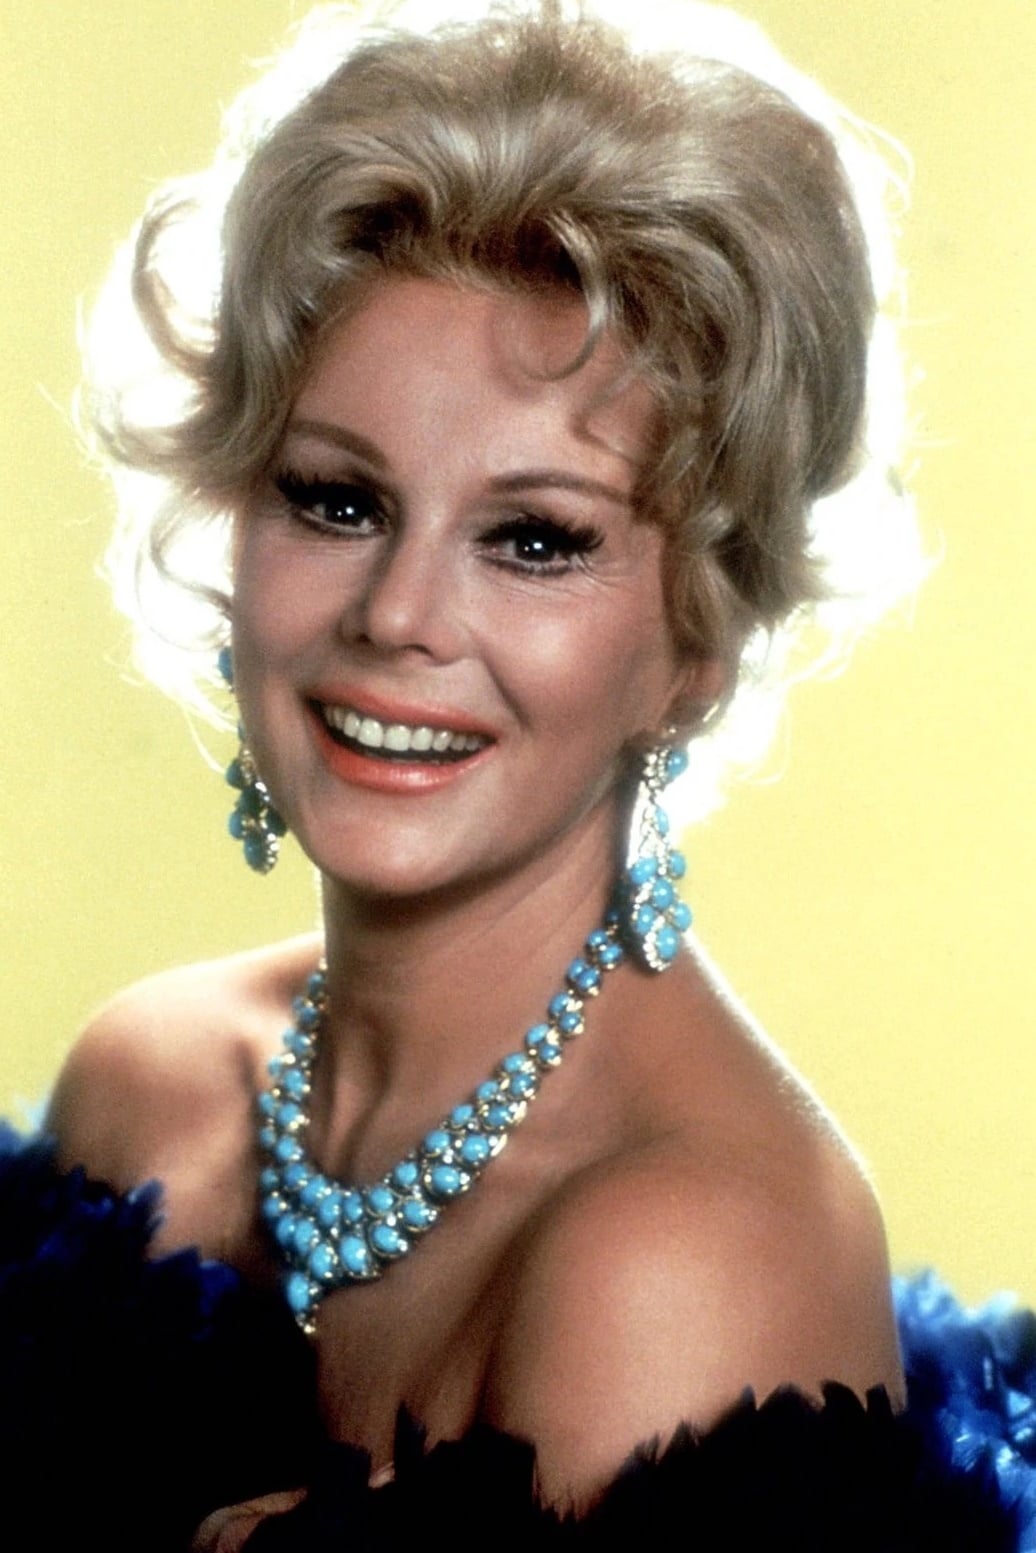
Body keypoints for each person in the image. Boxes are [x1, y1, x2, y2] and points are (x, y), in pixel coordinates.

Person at [2, 2, 1033, 1548]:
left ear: (700, 638)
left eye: (535, 538)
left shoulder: (684, 1259)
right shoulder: (147, 1088)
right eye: (337, 499)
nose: (397, 615)